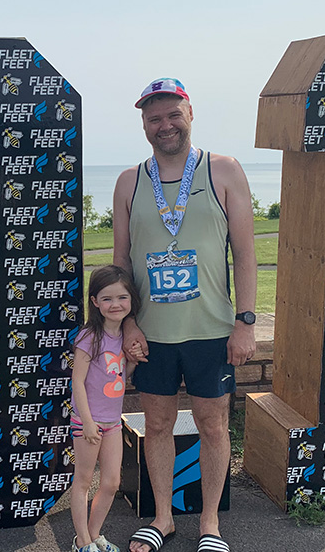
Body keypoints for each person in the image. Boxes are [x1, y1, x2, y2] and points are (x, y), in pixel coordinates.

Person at [113, 78, 256, 552]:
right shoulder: (130, 181)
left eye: (173, 114)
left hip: (212, 330)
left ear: (190, 113)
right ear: (144, 125)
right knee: (155, 426)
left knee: (213, 425)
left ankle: (210, 524)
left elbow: (246, 254)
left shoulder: (224, 170)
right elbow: (121, 262)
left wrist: (246, 321)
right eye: (154, 118)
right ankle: (162, 517)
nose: (165, 125)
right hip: (152, 333)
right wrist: (127, 323)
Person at [69, 265, 143, 552]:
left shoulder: (124, 337)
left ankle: (94, 533)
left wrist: (133, 360)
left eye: (122, 298)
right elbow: (78, 382)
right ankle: (82, 542)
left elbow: (120, 376)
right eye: (108, 298)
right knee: (84, 481)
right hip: (88, 422)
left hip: (113, 421)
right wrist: (86, 421)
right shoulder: (89, 337)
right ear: (95, 302)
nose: (116, 304)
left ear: (131, 301)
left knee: (112, 482)